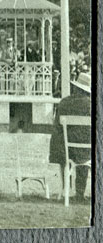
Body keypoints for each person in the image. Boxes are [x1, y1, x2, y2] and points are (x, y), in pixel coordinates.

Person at [49, 74, 91, 202]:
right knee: (86, 151)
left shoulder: (64, 103)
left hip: (66, 151)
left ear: (76, 88)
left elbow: (57, 127)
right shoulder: (91, 104)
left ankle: (66, 189)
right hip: (86, 151)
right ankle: (80, 192)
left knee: (63, 148)